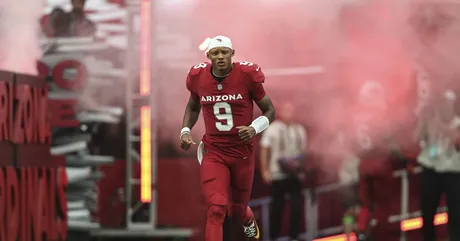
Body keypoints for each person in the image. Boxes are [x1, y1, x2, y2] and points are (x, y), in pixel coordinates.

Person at [180, 35, 275, 241]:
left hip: (242, 152)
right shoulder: (198, 76)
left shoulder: (248, 75)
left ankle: (248, 218)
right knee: (216, 208)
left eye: (224, 52)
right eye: (215, 53)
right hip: (214, 152)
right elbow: (193, 105)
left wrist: (254, 128)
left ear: (232, 54)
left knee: (237, 211)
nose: (221, 57)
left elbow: (269, 111)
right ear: (209, 56)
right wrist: (185, 130)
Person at [416, 90, 460, 241]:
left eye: (448, 104)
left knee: (456, 213)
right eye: (443, 104)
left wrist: (440, 123)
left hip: (453, 172)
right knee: (427, 212)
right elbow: (416, 138)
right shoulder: (430, 121)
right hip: (431, 170)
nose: (445, 108)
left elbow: (457, 140)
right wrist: (423, 120)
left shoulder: (457, 123)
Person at [259, 102, 306, 241]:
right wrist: (264, 170)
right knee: (277, 208)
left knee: (297, 206)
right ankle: (274, 236)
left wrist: (300, 166)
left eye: (291, 110)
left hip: (294, 174)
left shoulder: (299, 129)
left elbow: (303, 151)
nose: (289, 114)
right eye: (286, 110)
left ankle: (294, 236)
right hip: (278, 174)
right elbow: (264, 149)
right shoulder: (273, 129)